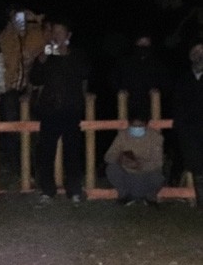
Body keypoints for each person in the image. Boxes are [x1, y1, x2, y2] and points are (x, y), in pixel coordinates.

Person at [30, 18, 91, 205]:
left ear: (68, 35)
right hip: (49, 110)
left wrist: (65, 55)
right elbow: (35, 79)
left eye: (60, 32)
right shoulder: (46, 56)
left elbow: (86, 74)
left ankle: (74, 190)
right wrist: (41, 62)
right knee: (46, 152)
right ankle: (47, 190)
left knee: (73, 152)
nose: (56, 36)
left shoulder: (77, 55)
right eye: (53, 32)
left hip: (71, 110)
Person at [103, 107, 164, 206]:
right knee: (111, 168)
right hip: (128, 176)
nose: (137, 128)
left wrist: (140, 164)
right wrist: (121, 159)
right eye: (134, 125)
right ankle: (124, 196)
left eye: (140, 126)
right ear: (129, 124)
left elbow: (158, 162)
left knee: (158, 176)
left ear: (146, 125)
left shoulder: (155, 137)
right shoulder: (122, 136)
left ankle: (150, 197)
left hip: (146, 176)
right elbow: (108, 156)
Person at [173, 40, 203, 209]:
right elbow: (177, 105)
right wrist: (182, 127)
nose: (200, 55)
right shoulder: (183, 79)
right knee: (197, 167)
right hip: (190, 131)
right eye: (197, 52)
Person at [111, 32, 166, 116]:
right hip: (127, 105)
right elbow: (114, 79)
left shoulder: (157, 64)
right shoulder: (124, 62)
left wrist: (158, 90)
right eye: (141, 42)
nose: (143, 45)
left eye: (146, 42)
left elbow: (164, 82)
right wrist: (120, 89)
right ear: (135, 43)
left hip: (150, 106)